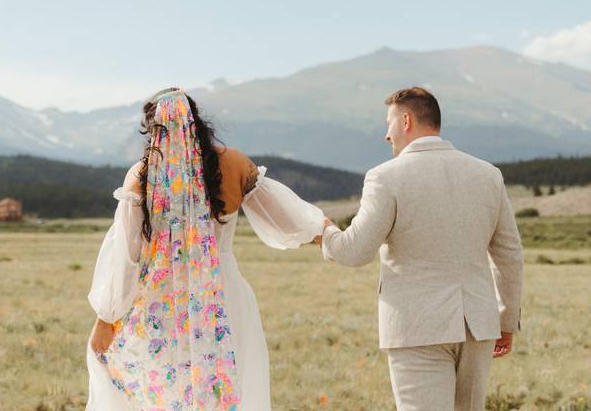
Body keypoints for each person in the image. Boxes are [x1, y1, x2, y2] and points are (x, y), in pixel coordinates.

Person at [86, 87, 325, 410]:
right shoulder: (236, 164)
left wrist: (107, 317)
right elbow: (287, 220)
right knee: (224, 392)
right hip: (223, 297)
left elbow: (126, 258)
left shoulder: (142, 175)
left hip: (163, 301)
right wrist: (326, 231)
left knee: (165, 392)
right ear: (197, 121)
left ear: (152, 127)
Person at [318, 86, 524, 411]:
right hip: (479, 327)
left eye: (388, 123)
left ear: (406, 120)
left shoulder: (385, 177)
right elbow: (509, 255)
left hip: (417, 326)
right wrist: (506, 320)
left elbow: (355, 251)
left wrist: (325, 233)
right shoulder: (488, 175)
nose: (387, 134)